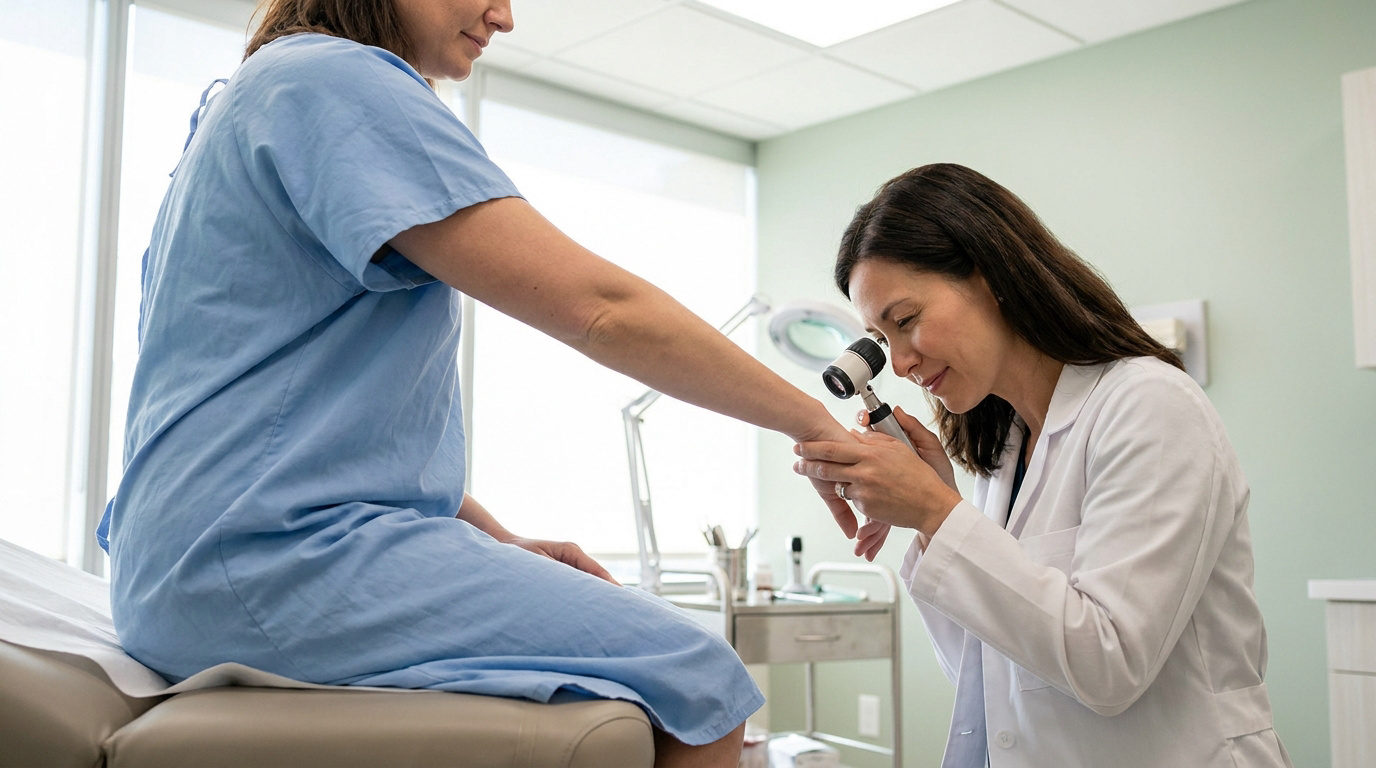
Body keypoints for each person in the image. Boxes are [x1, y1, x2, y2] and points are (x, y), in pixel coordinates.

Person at [95, 2, 856, 766]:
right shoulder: (335, 80)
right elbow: (602, 312)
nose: (505, 15)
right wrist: (818, 425)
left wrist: (498, 542)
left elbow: (291, 423)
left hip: (182, 568)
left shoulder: (241, 101)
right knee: (702, 683)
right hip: (273, 561)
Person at [792, 164, 1292, 767]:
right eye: (880, 337)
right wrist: (932, 516)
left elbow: (1110, 665)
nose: (899, 363)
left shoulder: (1150, 405)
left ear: (990, 277)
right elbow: (991, 676)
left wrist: (935, 510)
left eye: (906, 321)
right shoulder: (1008, 450)